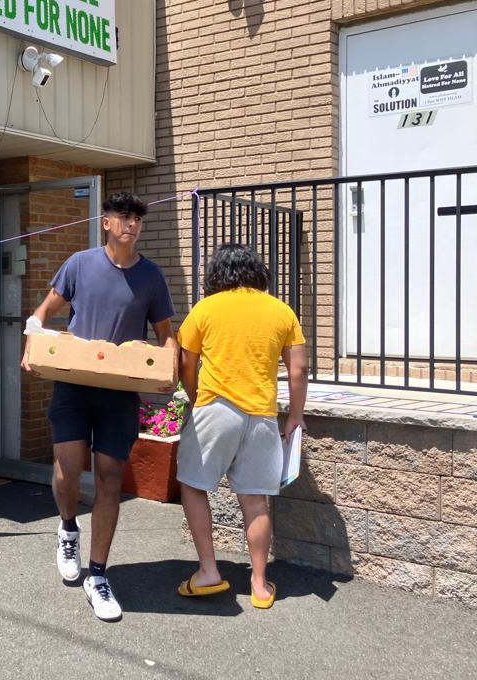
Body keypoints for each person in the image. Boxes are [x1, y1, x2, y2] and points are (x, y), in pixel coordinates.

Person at [21, 191, 177, 622]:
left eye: (137, 219)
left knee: (109, 480)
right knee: (66, 471)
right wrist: (33, 342)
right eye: (124, 217)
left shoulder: (151, 276)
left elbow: (165, 333)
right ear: (106, 222)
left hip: (119, 392)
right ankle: (68, 527)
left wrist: (170, 366)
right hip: (73, 386)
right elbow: (43, 312)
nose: (132, 225)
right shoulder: (80, 264)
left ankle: (99, 575)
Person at [175, 243, 307, 609]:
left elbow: (186, 363)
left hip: (215, 408)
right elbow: (298, 369)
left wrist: (195, 396)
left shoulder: (205, 309)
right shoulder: (281, 311)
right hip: (262, 416)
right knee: (255, 500)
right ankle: (260, 585)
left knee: (192, 485)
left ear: (217, 273)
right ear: (257, 271)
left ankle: (208, 571)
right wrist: (295, 416)